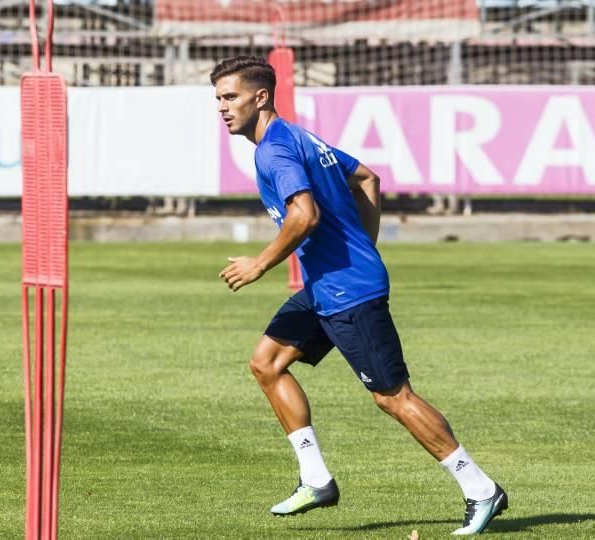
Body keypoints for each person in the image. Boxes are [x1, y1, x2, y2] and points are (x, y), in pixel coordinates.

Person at [211, 56, 507, 535]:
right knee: (266, 362)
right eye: (218, 99)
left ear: (260, 96)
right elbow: (367, 177)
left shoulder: (274, 150)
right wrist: (361, 249)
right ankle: (316, 479)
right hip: (329, 285)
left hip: (349, 292)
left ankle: (481, 489)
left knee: (393, 397)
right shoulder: (298, 136)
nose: (222, 108)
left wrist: (261, 262)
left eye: (230, 97)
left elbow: (304, 215)